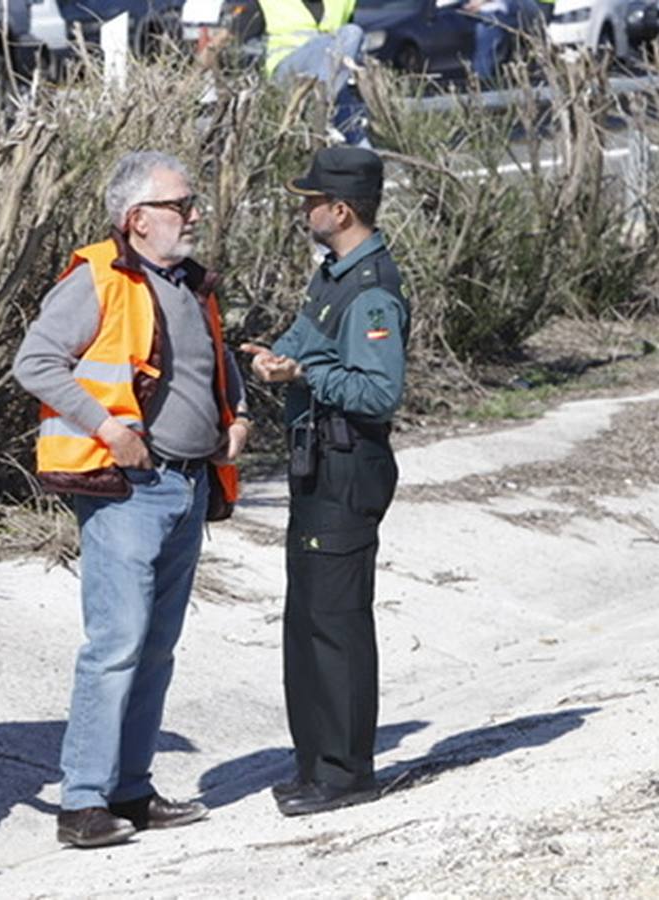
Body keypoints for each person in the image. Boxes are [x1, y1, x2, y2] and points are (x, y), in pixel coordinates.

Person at [13, 151, 249, 849]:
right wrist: (109, 428)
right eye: (182, 205)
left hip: (187, 483)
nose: (194, 215)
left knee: (155, 649)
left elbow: (211, 357)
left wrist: (236, 413)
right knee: (115, 645)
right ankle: (81, 801)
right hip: (127, 490)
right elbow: (36, 361)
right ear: (137, 218)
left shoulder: (189, 283)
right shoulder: (98, 279)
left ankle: (131, 790)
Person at [241, 145, 409, 818]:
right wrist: (275, 355)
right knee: (306, 618)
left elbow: (379, 391)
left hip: (347, 467)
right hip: (317, 463)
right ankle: (313, 764)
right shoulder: (333, 274)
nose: (305, 210)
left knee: (337, 624)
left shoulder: (371, 288)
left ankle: (346, 773)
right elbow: (307, 337)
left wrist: (304, 377)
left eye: (312, 201)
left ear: (341, 210)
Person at [256, 0, 369, 146]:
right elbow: (238, 32)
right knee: (330, 40)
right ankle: (323, 112)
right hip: (288, 69)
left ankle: (327, 113)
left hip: (327, 76)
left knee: (362, 147)